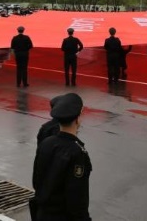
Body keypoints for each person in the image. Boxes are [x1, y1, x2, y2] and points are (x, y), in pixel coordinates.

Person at [31, 93, 92, 221]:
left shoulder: (46, 144)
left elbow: (36, 181)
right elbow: (77, 199)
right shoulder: (77, 152)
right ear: (77, 119)